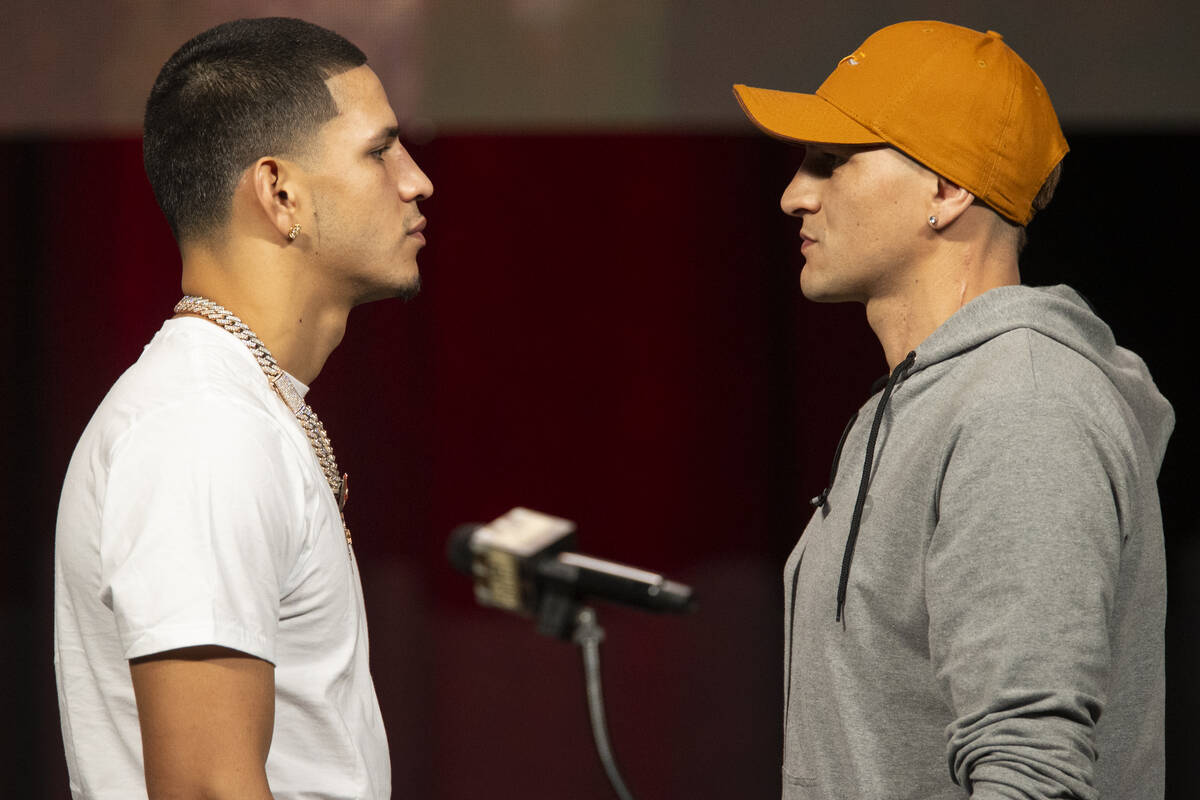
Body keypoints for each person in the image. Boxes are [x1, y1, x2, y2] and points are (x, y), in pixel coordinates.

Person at [733, 20, 1173, 800]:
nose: (793, 194)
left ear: (946, 189)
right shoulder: (923, 400)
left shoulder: (1023, 408)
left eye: (831, 162)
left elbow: (1030, 774)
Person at [53, 17, 432, 798]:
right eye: (378, 150)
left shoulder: (235, 408)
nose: (416, 179)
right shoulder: (203, 428)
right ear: (279, 190)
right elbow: (203, 788)